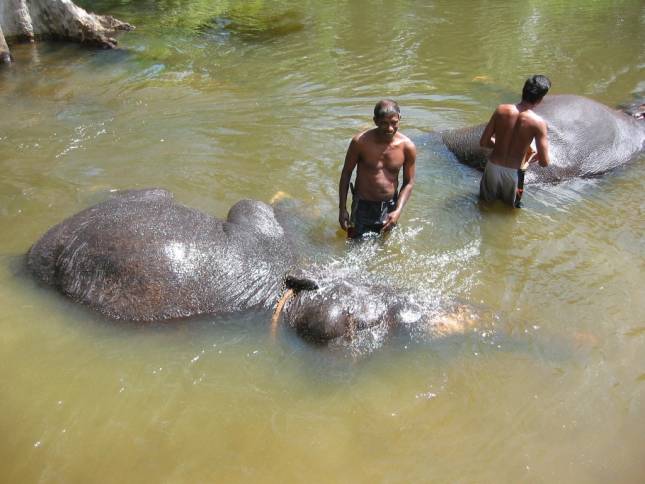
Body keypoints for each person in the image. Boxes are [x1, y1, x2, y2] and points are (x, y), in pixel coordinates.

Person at [338, 100, 417, 238]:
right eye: (384, 123)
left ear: (399, 119)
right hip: (362, 206)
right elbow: (346, 174)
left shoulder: (407, 147)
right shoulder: (360, 143)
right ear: (375, 121)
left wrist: (398, 210)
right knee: (355, 247)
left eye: (394, 122)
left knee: (385, 248)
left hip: (390, 206)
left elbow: (409, 182)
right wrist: (342, 209)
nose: (390, 128)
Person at [479, 75, 552, 208]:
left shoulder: (501, 110)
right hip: (514, 174)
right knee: (509, 213)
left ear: (523, 90)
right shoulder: (538, 123)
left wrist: (500, 144)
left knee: (483, 207)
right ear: (540, 99)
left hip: (492, 168)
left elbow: (483, 142)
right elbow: (544, 162)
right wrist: (528, 159)